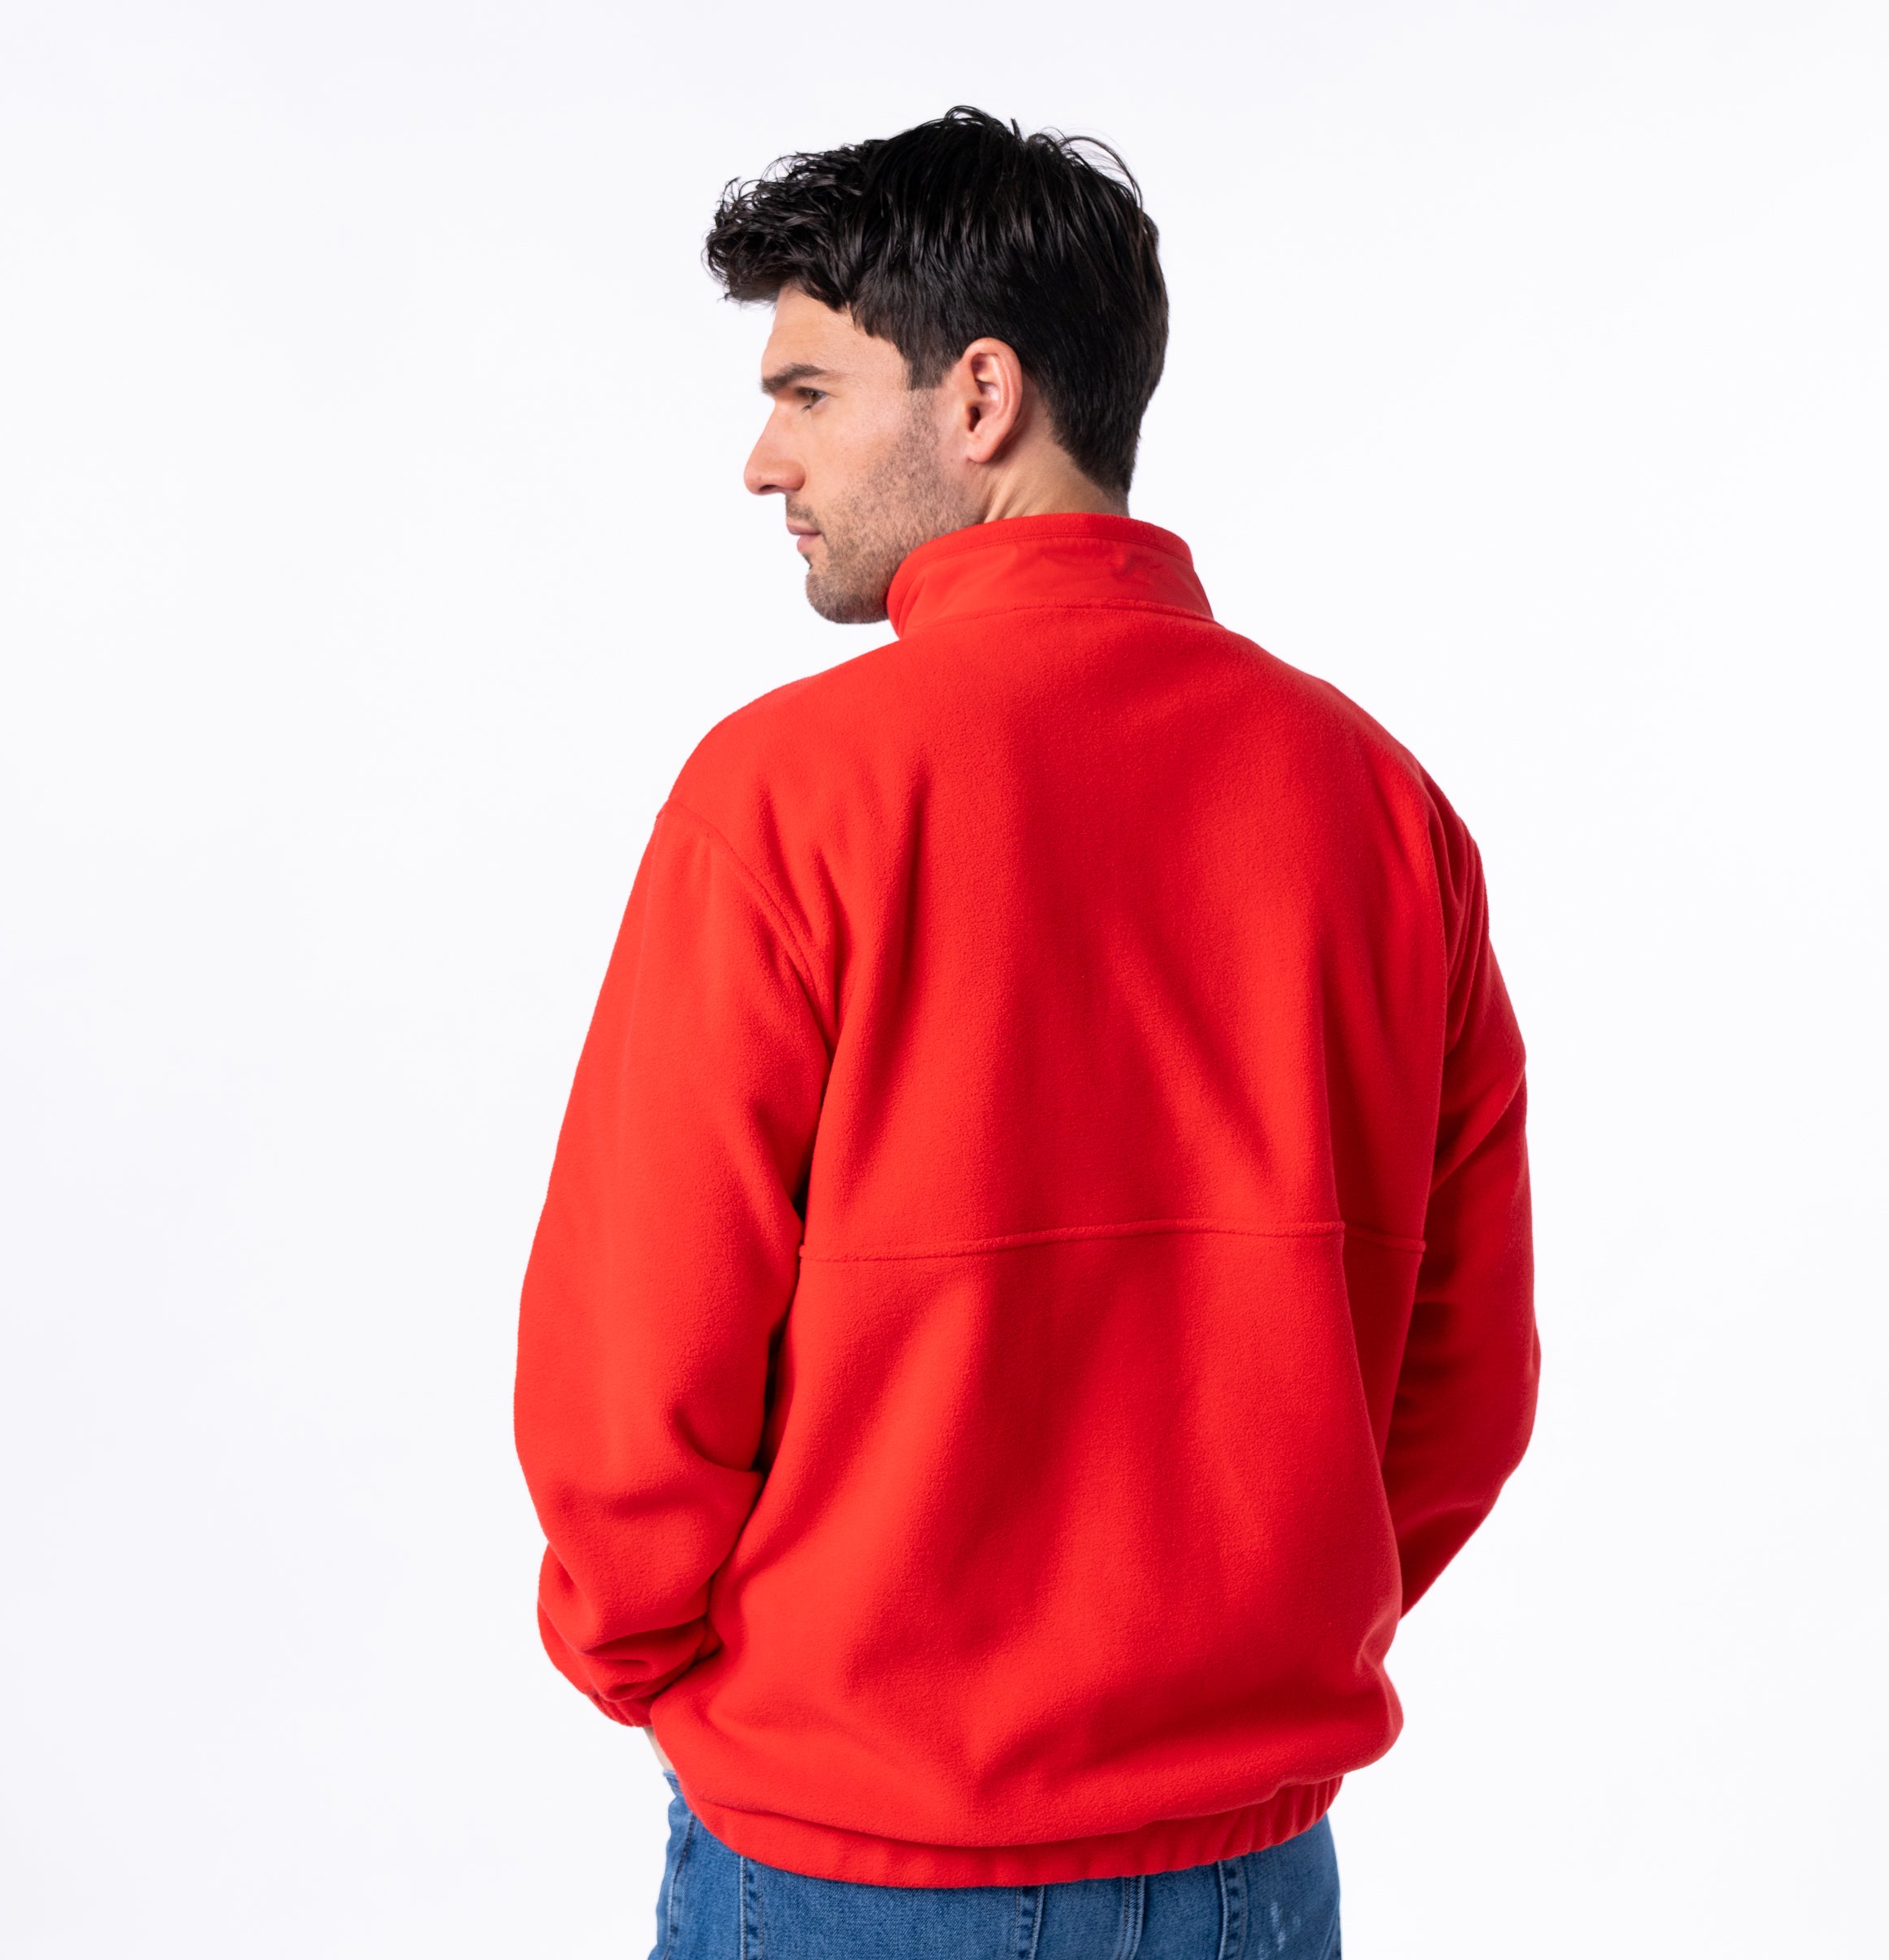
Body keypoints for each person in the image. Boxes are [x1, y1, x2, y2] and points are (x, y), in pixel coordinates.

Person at [514, 106, 1539, 1960]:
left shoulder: (786, 800)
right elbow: (1465, 1380)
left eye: (808, 392)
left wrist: (672, 1670)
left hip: (845, 1858)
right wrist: (1249, 1657)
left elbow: (633, 1367)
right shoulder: (1383, 809)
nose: (764, 459)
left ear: (980, 397)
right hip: (1243, 1876)